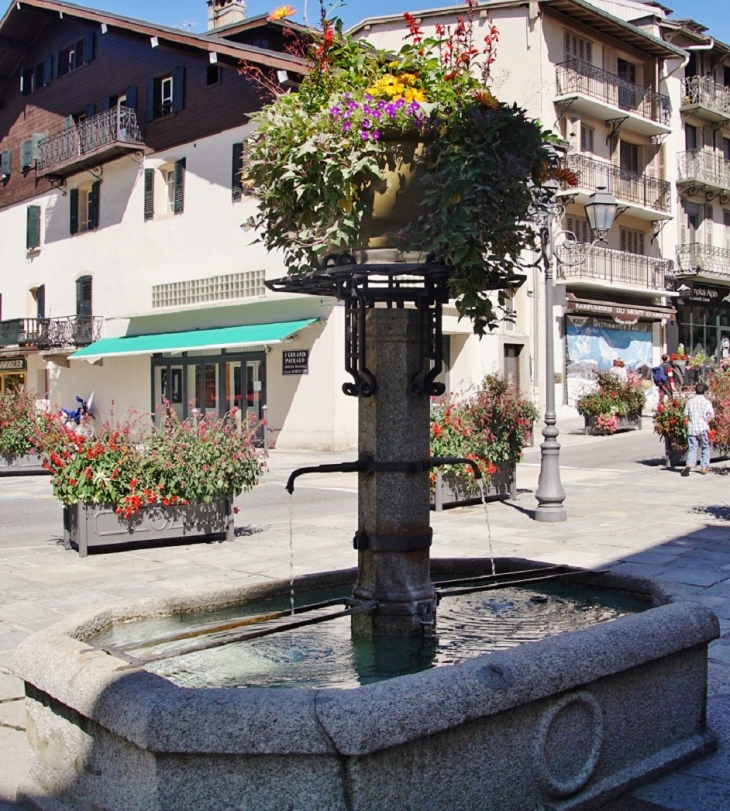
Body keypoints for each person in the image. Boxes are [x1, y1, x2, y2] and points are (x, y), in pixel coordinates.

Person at [681, 382, 715, 476]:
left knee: (692, 447)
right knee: (705, 447)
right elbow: (711, 416)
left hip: (692, 428)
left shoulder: (690, 402)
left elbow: (686, 415)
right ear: (705, 392)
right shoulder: (707, 403)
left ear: (695, 391)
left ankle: (689, 464)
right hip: (703, 428)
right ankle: (704, 467)